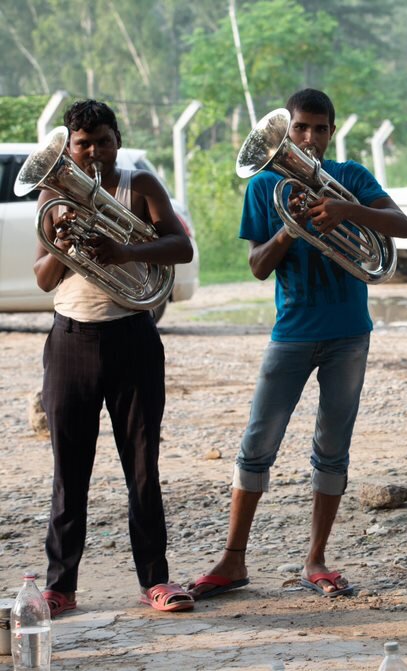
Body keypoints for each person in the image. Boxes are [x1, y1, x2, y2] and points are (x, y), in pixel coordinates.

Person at [187, 89, 407, 601]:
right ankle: (232, 559)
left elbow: (402, 226)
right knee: (257, 443)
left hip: (349, 334)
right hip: (291, 333)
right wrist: (289, 230)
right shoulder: (265, 185)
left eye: (319, 129)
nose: (309, 138)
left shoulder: (351, 177)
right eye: (300, 129)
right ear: (287, 132)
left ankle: (317, 560)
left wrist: (346, 210)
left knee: (332, 449)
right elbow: (258, 266)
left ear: (332, 132)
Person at [33, 100, 195, 614]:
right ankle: (61, 585)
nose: (94, 151)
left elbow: (180, 249)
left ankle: (156, 580)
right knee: (69, 469)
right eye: (83, 143)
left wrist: (125, 251)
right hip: (70, 340)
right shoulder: (53, 196)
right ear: (68, 147)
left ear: (117, 141)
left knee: (143, 466)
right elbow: (41, 279)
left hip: (132, 337)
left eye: (103, 140)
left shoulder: (139, 185)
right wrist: (62, 245)